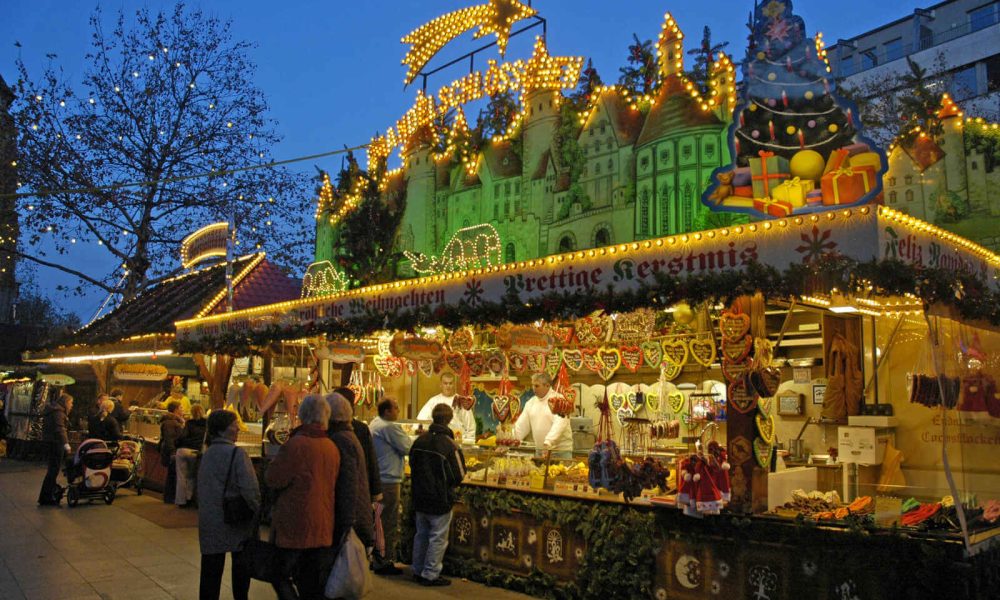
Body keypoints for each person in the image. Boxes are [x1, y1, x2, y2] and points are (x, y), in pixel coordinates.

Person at [266, 394, 340, 600]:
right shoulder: (331, 447)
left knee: (279, 573)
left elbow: (274, 479)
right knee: (311, 580)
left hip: (295, 520)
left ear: (302, 415)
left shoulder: (296, 444)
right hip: (323, 521)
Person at [197, 409, 260, 600]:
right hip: (235, 519)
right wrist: (257, 509)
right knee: (240, 568)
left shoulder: (207, 454)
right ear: (224, 429)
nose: (237, 429)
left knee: (210, 571)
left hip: (210, 519)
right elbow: (250, 489)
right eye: (234, 425)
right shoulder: (237, 454)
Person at [409, 403, 466, 587]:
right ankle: (430, 574)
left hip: (419, 496)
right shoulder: (450, 445)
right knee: (437, 538)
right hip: (440, 499)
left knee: (421, 534)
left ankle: (417, 570)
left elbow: (411, 464)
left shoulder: (419, 441)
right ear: (449, 420)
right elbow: (459, 475)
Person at [326, 393, 375, 553]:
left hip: (346, 520)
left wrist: (347, 523)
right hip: (352, 517)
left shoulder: (341, 440)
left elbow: (348, 484)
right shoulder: (349, 436)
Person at [369, 397, 412, 575]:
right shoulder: (389, 427)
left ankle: (377, 557)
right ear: (387, 411)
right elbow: (408, 447)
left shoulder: (375, 423)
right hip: (389, 481)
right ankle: (384, 561)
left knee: (378, 521)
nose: (399, 411)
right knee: (388, 521)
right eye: (396, 408)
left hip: (378, 479)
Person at [333, 386, 383, 504]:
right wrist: (375, 492)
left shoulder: (328, 429)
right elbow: (371, 461)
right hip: (359, 486)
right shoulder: (360, 429)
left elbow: (370, 459)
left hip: (337, 486)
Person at [512, 372, 573, 459]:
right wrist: (509, 440)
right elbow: (521, 427)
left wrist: (548, 442)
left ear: (547, 385)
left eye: (537, 386)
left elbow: (560, 424)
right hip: (540, 452)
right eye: (533, 385)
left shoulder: (559, 400)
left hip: (560, 453)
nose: (533, 388)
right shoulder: (530, 403)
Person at [417, 372, 476, 444]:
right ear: (441, 385)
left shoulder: (461, 401)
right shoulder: (433, 401)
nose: (448, 386)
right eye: (445, 383)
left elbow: (470, 426)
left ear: (454, 385)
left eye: (450, 383)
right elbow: (421, 421)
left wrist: (468, 443)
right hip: (437, 442)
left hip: (457, 442)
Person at [37, 392, 73, 506]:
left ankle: (47, 495)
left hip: (49, 442)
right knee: (53, 470)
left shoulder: (52, 410)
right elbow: (60, 429)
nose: (72, 405)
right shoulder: (58, 412)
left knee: (52, 470)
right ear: (66, 402)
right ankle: (46, 497)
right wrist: (66, 444)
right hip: (56, 443)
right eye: (71, 403)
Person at [175, 404, 207, 507]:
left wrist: (177, 444)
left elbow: (182, 436)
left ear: (192, 413)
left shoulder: (189, 423)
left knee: (181, 476)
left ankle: (181, 501)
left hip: (183, 450)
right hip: (195, 452)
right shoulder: (206, 425)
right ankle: (190, 498)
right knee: (192, 476)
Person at [159, 400, 185, 504]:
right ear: (176, 410)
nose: (183, 410)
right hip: (172, 451)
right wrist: (172, 452)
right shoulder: (170, 423)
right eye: (181, 408)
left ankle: (170, 497)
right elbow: (169, 439)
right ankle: (169, 497)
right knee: (172, 475)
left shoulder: (173, 421)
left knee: (172, 474)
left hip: (172, 451)